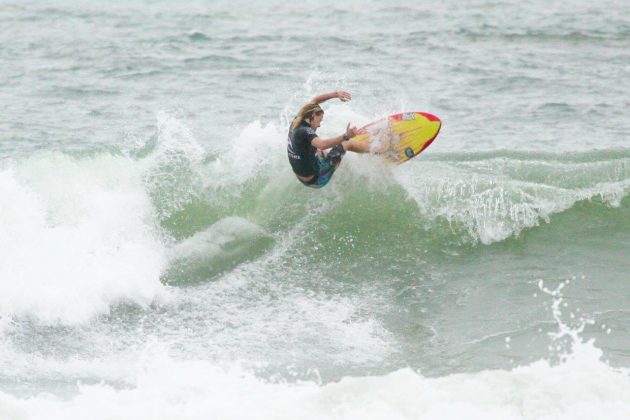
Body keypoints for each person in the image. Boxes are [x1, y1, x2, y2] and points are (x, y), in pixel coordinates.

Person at [287, 91, 370, 188]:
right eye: (319, 120)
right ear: (313, 117)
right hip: (317, 179)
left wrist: (336, 94)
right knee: (346, 143)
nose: (319, 124)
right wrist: (346, 136)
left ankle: (333, 157)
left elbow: (315, 100)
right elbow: (322, 144)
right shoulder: (305, 131)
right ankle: (377, 149)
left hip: (302, 175)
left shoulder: (298, 120)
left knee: (321, 150)